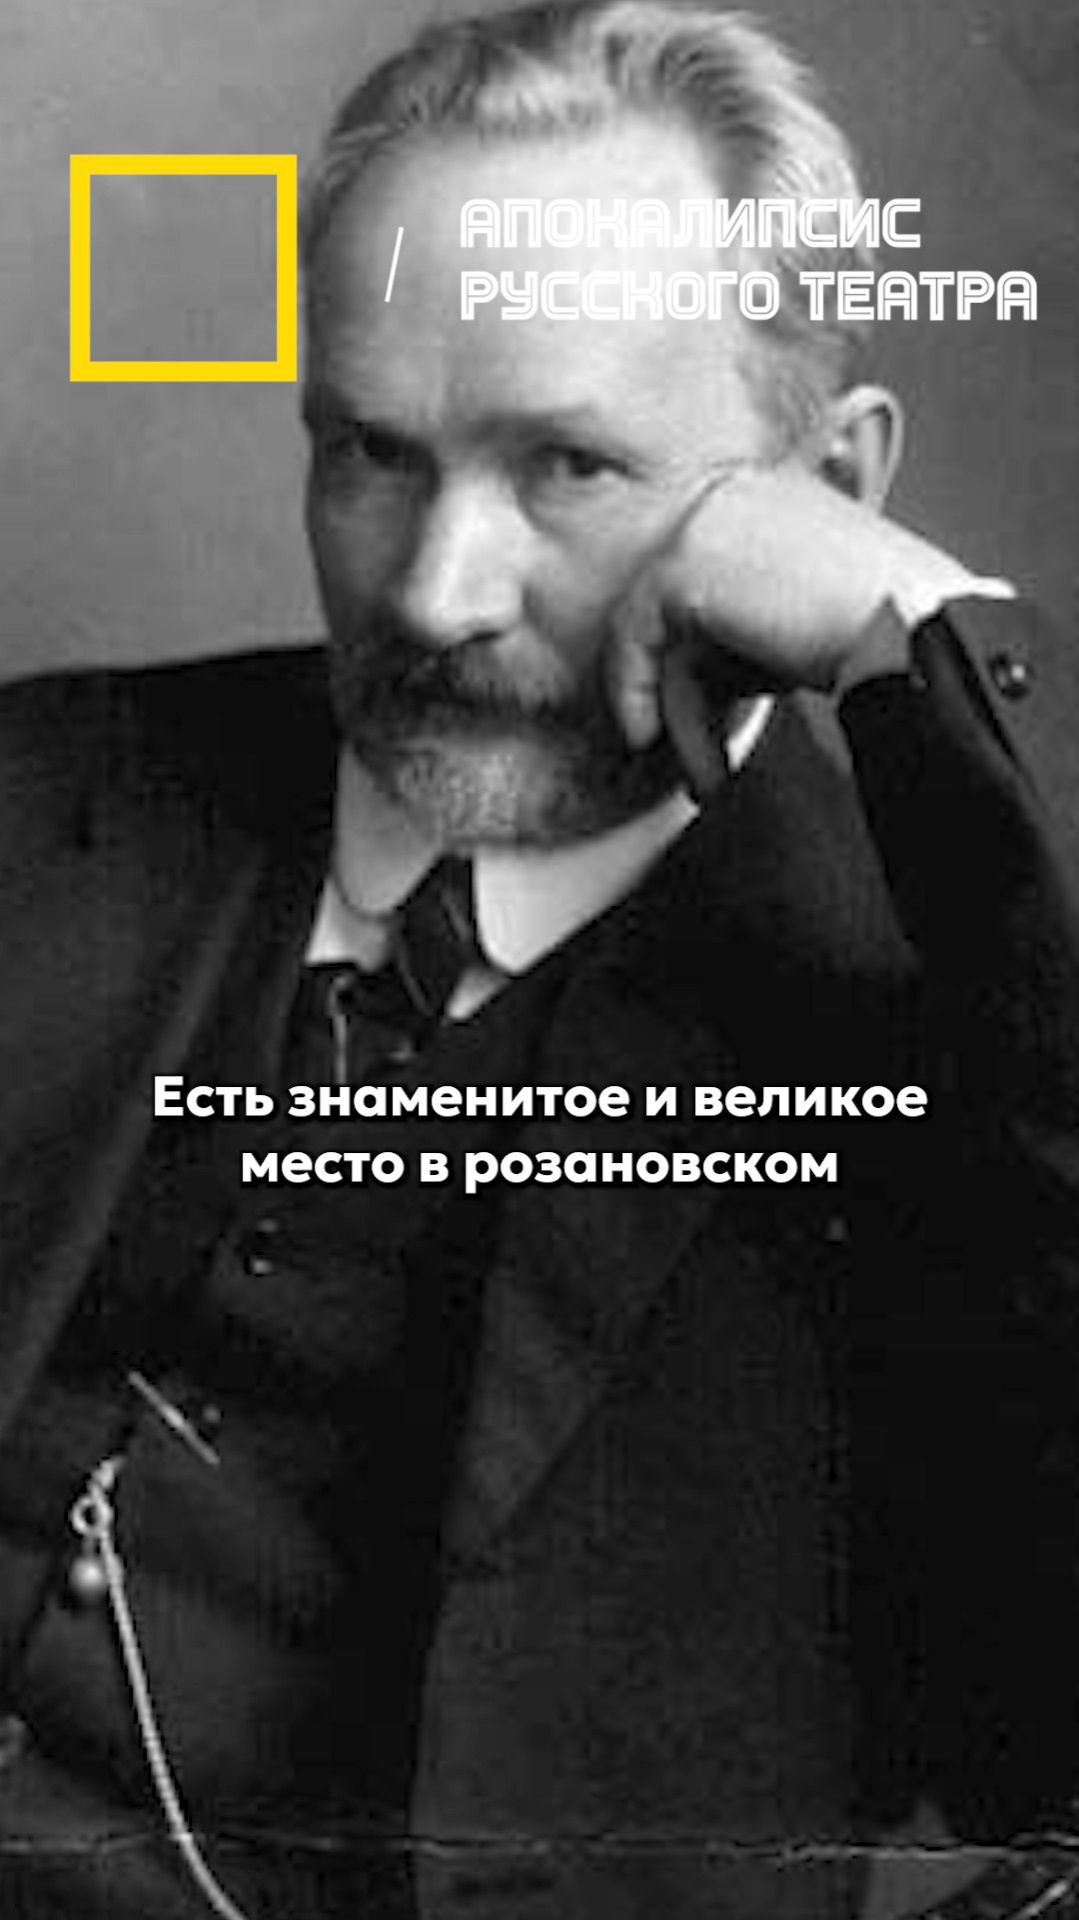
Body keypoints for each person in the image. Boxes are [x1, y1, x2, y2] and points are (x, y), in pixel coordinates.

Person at [1, 3, 1078, 1916]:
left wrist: (928, 636)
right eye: (371, 452)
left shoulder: (957, 1029)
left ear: (831, 485)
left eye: (570, 466)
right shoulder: (42, 791)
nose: (434, 594)